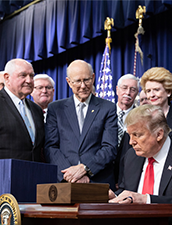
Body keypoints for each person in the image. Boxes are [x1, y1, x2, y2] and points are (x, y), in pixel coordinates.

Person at [44, 60, 117, 190]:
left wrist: (85, 169)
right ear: (68, 82)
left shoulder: (108, 108)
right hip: (64, 181)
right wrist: (71, 174)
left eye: (87, 80)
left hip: (97, 181)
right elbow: (51, 147)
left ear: (93, 77)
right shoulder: (56, 109)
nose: (83, 86)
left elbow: (109, 147)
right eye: (78, 81)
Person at [0, 58, 44, 162]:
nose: (29, 80)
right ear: (7, 78)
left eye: (31, 76)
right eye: (23, 75)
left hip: (34, 174)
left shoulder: (36, 109)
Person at [116, 74, 139, 146]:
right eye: (124, 88)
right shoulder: (105, 112)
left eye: (133, 90)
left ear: (137, 93)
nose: (128, 93)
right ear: (117, 90)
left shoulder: (140, 117)